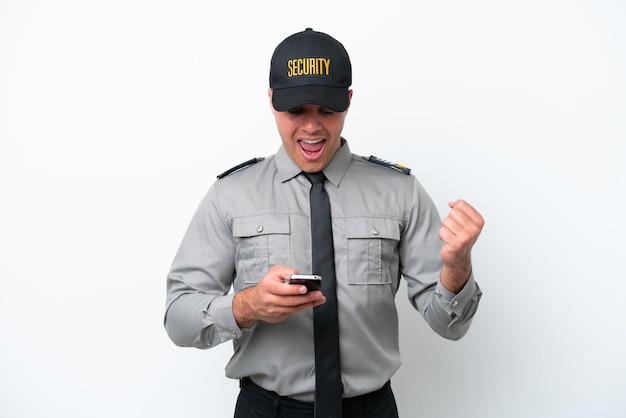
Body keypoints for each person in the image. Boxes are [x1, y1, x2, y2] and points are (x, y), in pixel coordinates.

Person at [164, 28, 484, 418]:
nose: (312, 127)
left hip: (370, 410)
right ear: (271, 102)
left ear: (348, 101)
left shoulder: (400, 192)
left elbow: (449, 325)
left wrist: (457, 268)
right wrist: (247, 306)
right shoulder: (231, 195)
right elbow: (178, 317)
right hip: (267, 410)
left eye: (327, 110)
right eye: (296, 110)